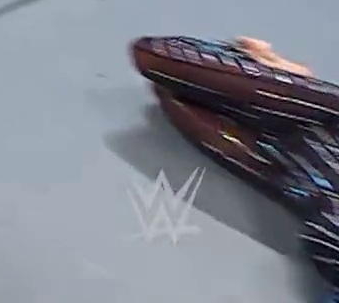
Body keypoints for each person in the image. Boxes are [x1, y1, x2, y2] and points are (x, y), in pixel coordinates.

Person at [129, 35, 339, 292]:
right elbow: (155, 56)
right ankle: (275, 70)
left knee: (172, 89)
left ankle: (275, 70)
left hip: (288, 168)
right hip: (302, 139)